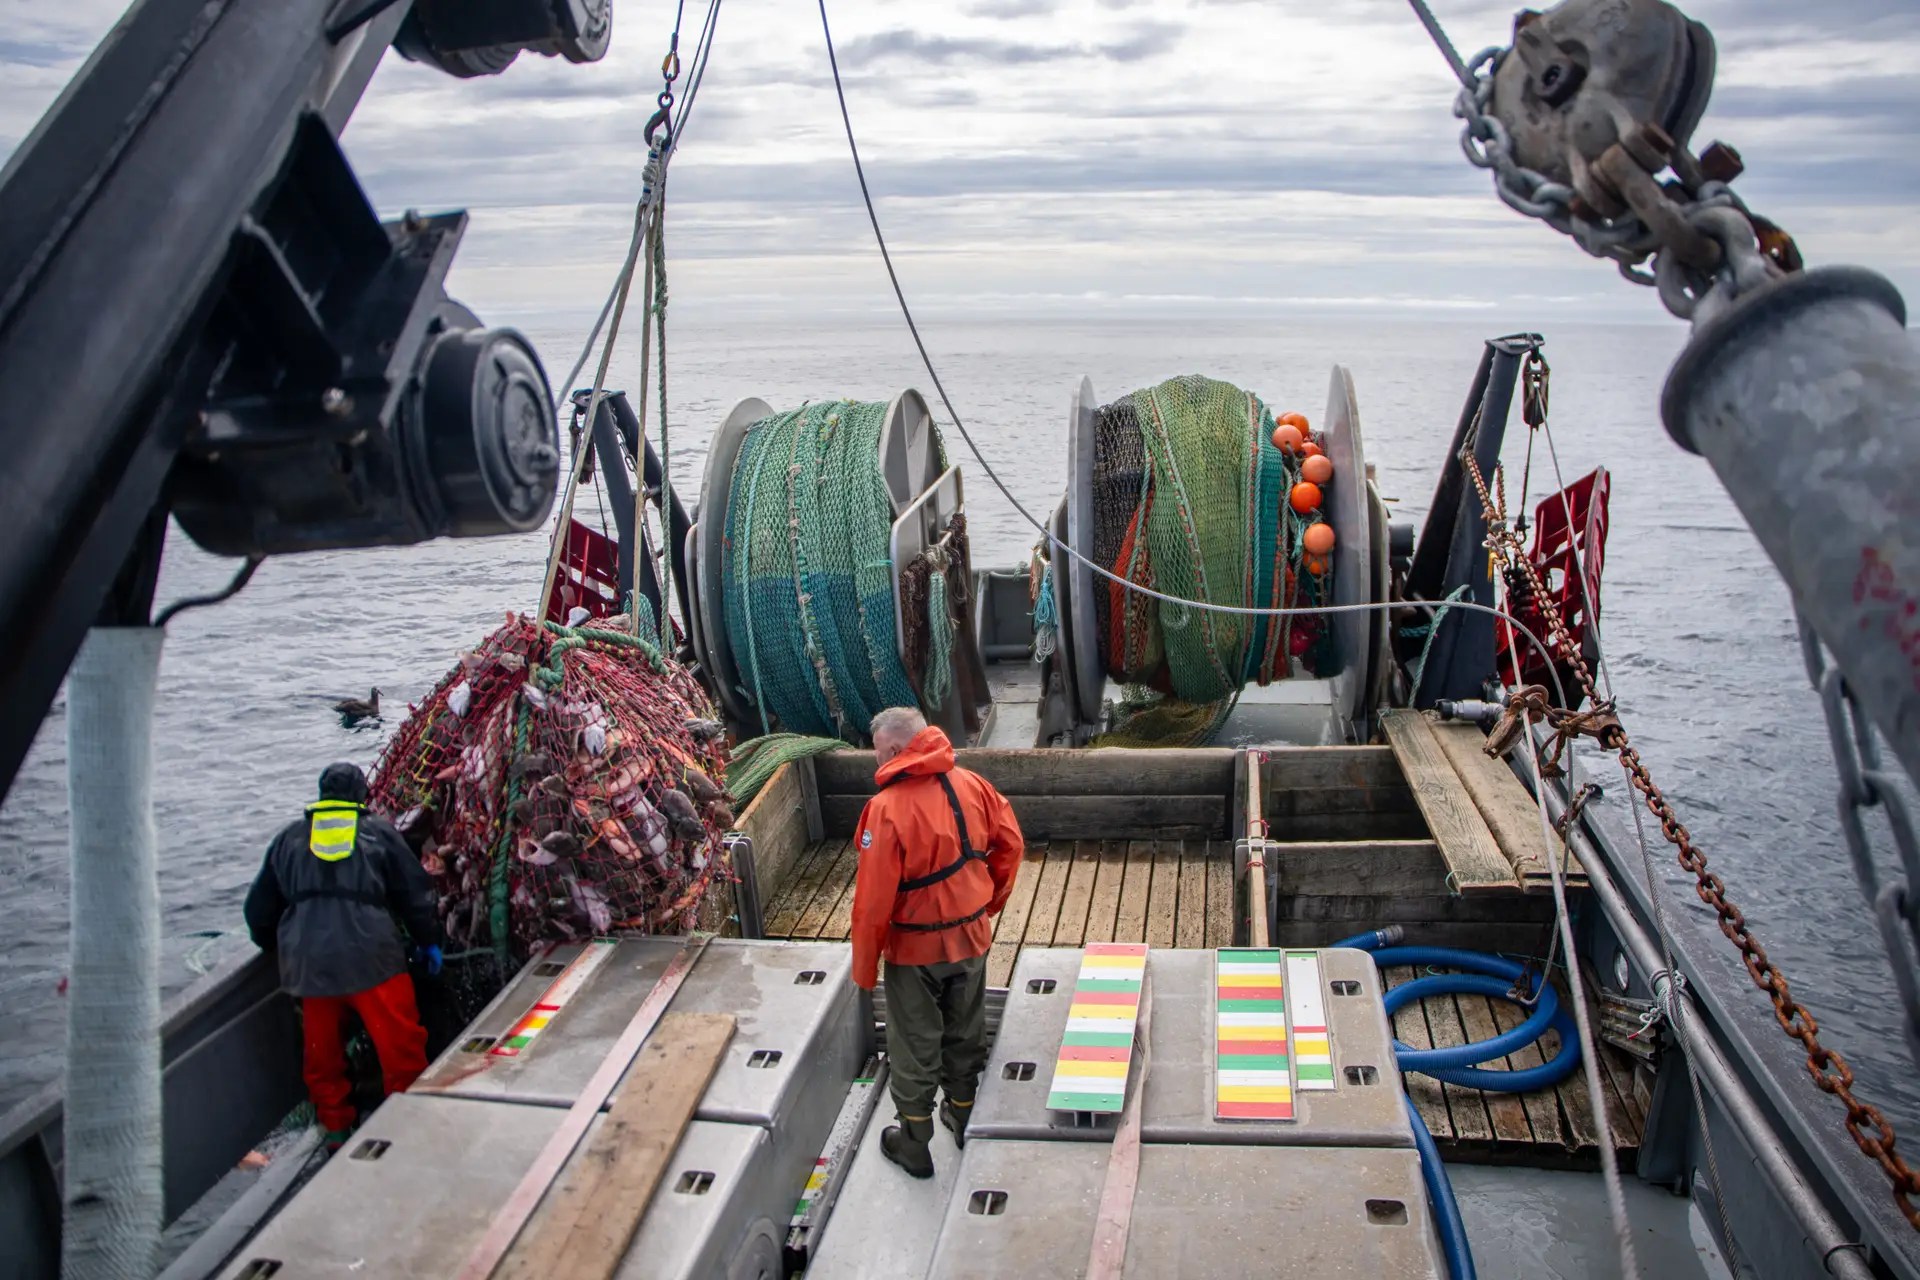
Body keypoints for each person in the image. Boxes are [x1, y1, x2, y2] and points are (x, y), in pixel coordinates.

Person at [849, 707, 1023, 1179]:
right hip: (970, 938)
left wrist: (865, 971)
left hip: (915, 951)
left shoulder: (884, 810)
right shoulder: (972, 784)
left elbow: (872, 904)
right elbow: (1011, 844)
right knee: (965, 1029)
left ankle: (914, 1142)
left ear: (890, 750)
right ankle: (963, 1116)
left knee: (914, 1041)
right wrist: (989, 904)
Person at [244, 762, 442, 1151]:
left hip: (310, 971)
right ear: (362, 796)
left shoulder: (288, 840)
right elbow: (415, 895)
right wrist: (428, 941)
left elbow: (258, 913)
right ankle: (406, 1132)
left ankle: (336, 1135)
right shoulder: (379, 833)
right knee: (400, 1050)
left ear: (322, 795)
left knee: (322, 1059)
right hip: (373, 963)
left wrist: (283, 950)